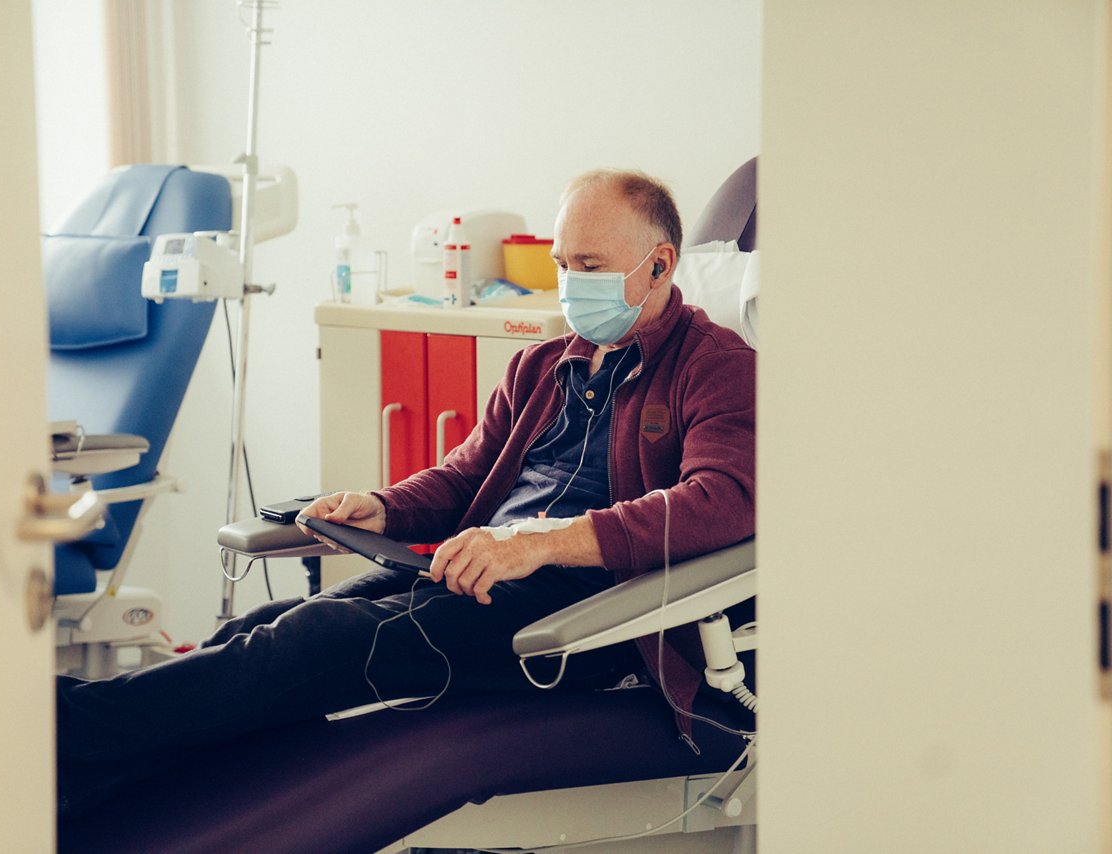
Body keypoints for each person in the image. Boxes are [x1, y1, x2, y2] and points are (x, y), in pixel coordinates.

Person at [56, 169, 755, 816]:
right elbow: (465, 476)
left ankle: (54, 738)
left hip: (588, 617)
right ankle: (96, 793)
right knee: (259, 635)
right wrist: (383, 506)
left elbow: (719, 500)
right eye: (563, 264)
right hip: (477, 577)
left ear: (659, 264)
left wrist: (536, 547)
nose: (570, 284)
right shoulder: (544, 365)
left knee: (311, 644)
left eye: (590, 267)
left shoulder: (717, 368)